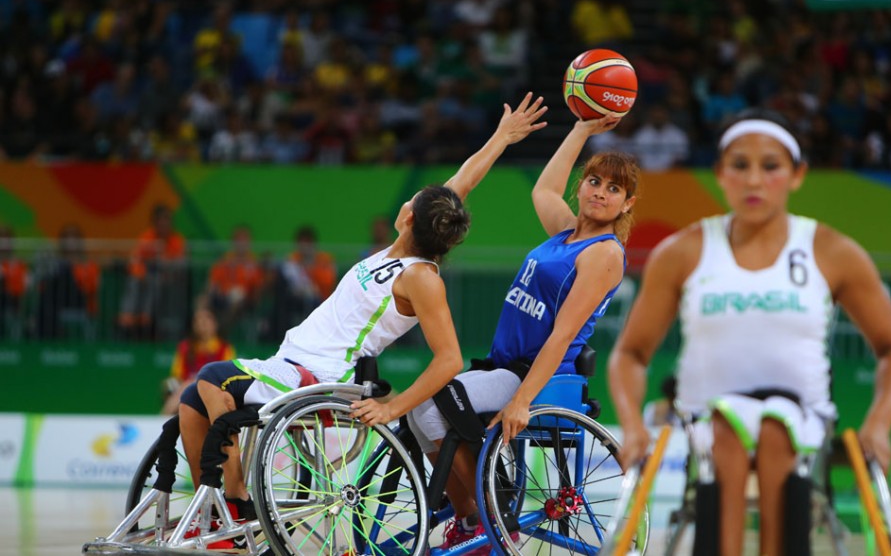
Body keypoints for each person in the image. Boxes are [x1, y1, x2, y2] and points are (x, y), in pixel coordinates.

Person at [174, 94, 547, 546]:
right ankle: (212, 509)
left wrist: (394, 407)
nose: (408, 201)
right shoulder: (400, 250)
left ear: (408, 218)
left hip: (320, 376)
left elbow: (448, 359)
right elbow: (460, 185)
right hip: (292, 362)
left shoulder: (421, 277)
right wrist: (502, 138)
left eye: (411, 201)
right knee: (192, 399)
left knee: (215, 377)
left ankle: (236, 505)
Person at [608, 110, 891, 556]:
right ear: (719, 174)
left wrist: (880, 423)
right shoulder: (683, 252)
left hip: (803, 418)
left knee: (775, 429)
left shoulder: (832, 251)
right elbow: (631, 354)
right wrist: (633, 426)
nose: (754, 179)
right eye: (740, 165)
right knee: (728, 430)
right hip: (706, 420)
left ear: (797, 175)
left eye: (770, 166)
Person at [407, 115, 638, 551]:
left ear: (626, 204)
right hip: (508, 366)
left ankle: (491, 514)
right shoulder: (566, 235)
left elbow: (562, 336)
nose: (599, 192)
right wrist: (581, 131)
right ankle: (470, 517)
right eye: (594, 181)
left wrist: (521, 401)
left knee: (431, 403)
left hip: (537, 375)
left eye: (613, 189)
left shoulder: (603, 253)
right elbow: (544, 191)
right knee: (417, 410)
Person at [117, 203, 188, 340]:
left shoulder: (177, 240)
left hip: (170, 281)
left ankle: (146, 318)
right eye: (160, 220)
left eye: (167, 220)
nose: (163, 223)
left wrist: (164, 264)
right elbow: (135, 260)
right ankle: (127, 317)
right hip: (147, 277)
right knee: (135, 281)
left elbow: (181, 264)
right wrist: (141, 274)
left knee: (155, 283)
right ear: (155, 222)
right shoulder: (147, 237)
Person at [162, 305, 236, 415]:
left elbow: (228, 378)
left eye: (207, 319)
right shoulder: (185, 347)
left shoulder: (224, 349)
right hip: (187, 392)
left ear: (215, 323)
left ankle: (163, 420)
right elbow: (177, 377)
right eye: (198, 320)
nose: (202, 323)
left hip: (214, 392)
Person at [36, 224, 100, 340]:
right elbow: (42, 286)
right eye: (67, 237)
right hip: (56, 302)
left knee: (64, 275)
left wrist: (73, 271)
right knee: (49, 295)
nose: (71, 241)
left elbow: (91, 288)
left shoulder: (88, 265)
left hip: (79, 300)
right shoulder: (54, 263)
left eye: (74, 236)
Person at [206, 225, 264, 331]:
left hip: (244, 301)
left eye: (244, 240)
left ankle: (221, 331)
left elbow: (258, 287)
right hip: (222, 296)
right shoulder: (225, 260)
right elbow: (213, 282)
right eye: (238, 240)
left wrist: (253, 297)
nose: (241, 244)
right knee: (202, 301)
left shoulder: (253, 263)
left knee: (235, 302)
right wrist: (210, 293)